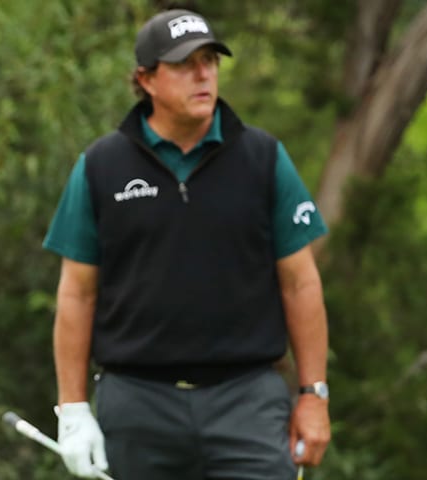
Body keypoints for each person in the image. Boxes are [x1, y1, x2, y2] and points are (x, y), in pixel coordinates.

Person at [43, 9, 331, 480]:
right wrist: (72, 410)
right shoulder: (101, 166)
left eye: (210, 60)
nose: (203, 74)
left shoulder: (263, 158)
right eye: (184, 63)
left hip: (248, 401)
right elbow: (78, 293)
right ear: (146, 79)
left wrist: (313, 394)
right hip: (138, 405)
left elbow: (300, 283)